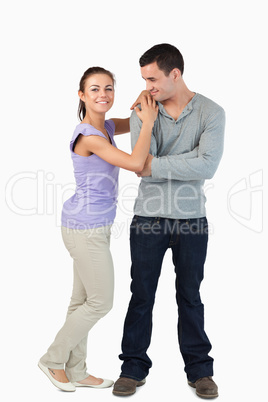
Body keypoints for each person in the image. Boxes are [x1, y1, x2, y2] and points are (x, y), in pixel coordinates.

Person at [113, 44, 225, 399]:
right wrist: (148, 128)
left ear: (175, 74)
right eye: (144, 79)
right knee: (141, 294)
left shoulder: (211, 112)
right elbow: (137, 163)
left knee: (190, 295)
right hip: (148, 217)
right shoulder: (144, 110)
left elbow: (206, 166)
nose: (148, 86)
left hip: (192, 219)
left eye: (153, 78)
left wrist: (155, 166)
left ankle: (200, 372)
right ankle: (132, 368)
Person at [38, 66, 158, 392]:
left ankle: (76, 370)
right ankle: (52, 359)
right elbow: (135, 163)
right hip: (84, 229)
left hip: (92, 226)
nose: (102, 94)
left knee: (81, 302)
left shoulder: (104, 126)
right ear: (81, 95)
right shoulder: (88, 136)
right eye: (94, 89)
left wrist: (150, 94)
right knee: (101, 302)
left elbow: (132, 119)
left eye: (108, 88)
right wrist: (147, 122)